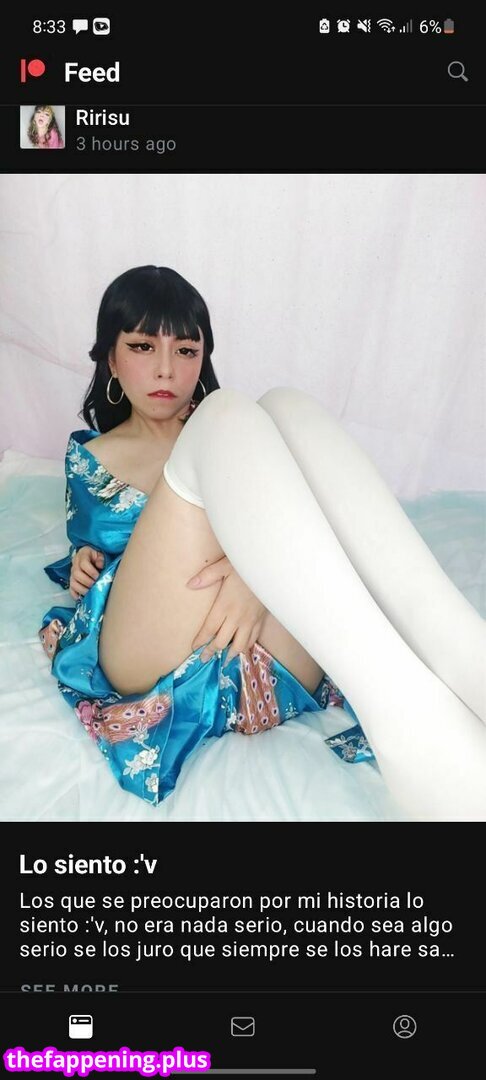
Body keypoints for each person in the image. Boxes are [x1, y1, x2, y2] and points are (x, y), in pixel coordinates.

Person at [39, 265, 486, 819]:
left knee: (283, 405)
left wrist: (256, 575)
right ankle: (412, 710)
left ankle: (461, 656)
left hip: (272, 657)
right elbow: (97, 554)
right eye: (142, 346)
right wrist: (84, 561)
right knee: (228, 413)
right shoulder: (91, 457)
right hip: (154, 657)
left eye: (185, 350)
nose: (165, 369)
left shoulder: (243, 441)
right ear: (110, 358)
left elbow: (310, 524)